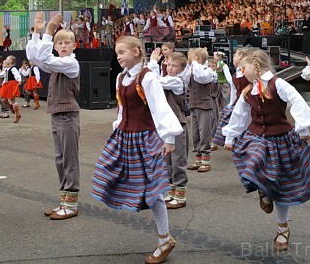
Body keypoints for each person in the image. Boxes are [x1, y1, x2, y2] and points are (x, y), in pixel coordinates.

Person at [223, 48, 310, 252]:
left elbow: (297, 102)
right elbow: (239, 115)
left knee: (282, 186)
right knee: (253, 159)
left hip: (281, 138)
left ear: (254, 67)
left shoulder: (277, 84)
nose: (241, 72)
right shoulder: (248, 90)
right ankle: (264, 190)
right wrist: (230, 136)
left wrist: (302, 127)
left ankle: (283, 228)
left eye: (243, 68)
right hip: (257, 137)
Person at [92, 36, 182, 264]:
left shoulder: (147, 77)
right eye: (117, 53)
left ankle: (165, 240)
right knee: (107, 173)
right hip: (124, 137)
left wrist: (168, 137)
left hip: (144, 138)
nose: (119, 56)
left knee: (153, 190)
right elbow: (122, 110)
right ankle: (161, 235)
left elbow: (159, 107)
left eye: (122, 52)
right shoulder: (121, 78)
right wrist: (116, 128)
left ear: (136, 52)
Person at [26, 12, 82, 220]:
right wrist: (37, 33)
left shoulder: (71, 63)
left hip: (68, 115)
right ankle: (64, 201)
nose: (64, 46)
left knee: (69, 159)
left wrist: (49, 32)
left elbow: (44, 58)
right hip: (58, 115)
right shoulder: (57, 62)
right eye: (60, 43)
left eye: (68, 43)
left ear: (74, 46)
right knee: (60, 158)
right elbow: (34, 58)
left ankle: (71, 204)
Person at [148, 48, 190, 210]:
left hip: (177, 124)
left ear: (182, 69)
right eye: (169, 64)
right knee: (168, 160)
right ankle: (172, 191)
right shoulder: (167, 77)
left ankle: (180, 193)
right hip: (166, 125)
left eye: (174, 66)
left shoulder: (177, 81)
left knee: (178, 159)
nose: (170, 68)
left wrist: (152, 63)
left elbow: (155, 82)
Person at [187, 47, 217, 173]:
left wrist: (194, 62)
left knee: (204, 133)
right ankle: (198, 159)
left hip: (205, 106)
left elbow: (201, 78)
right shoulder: (192, 70)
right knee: (195, 134)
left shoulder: (208, 71)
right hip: (194, 105)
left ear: (198, 59)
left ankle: (206, 160)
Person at [0, 55, 23, 123]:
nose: (6, 60)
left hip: (11, 84)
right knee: (2, 98)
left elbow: (17, 75)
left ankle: (17, 114)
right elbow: (1, 75)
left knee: (12, 99)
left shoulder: (13, 69)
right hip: (6, 85)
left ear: (11, 61)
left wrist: (19, 80)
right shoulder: (6, 69)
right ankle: (10, 106)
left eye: (7, 59)